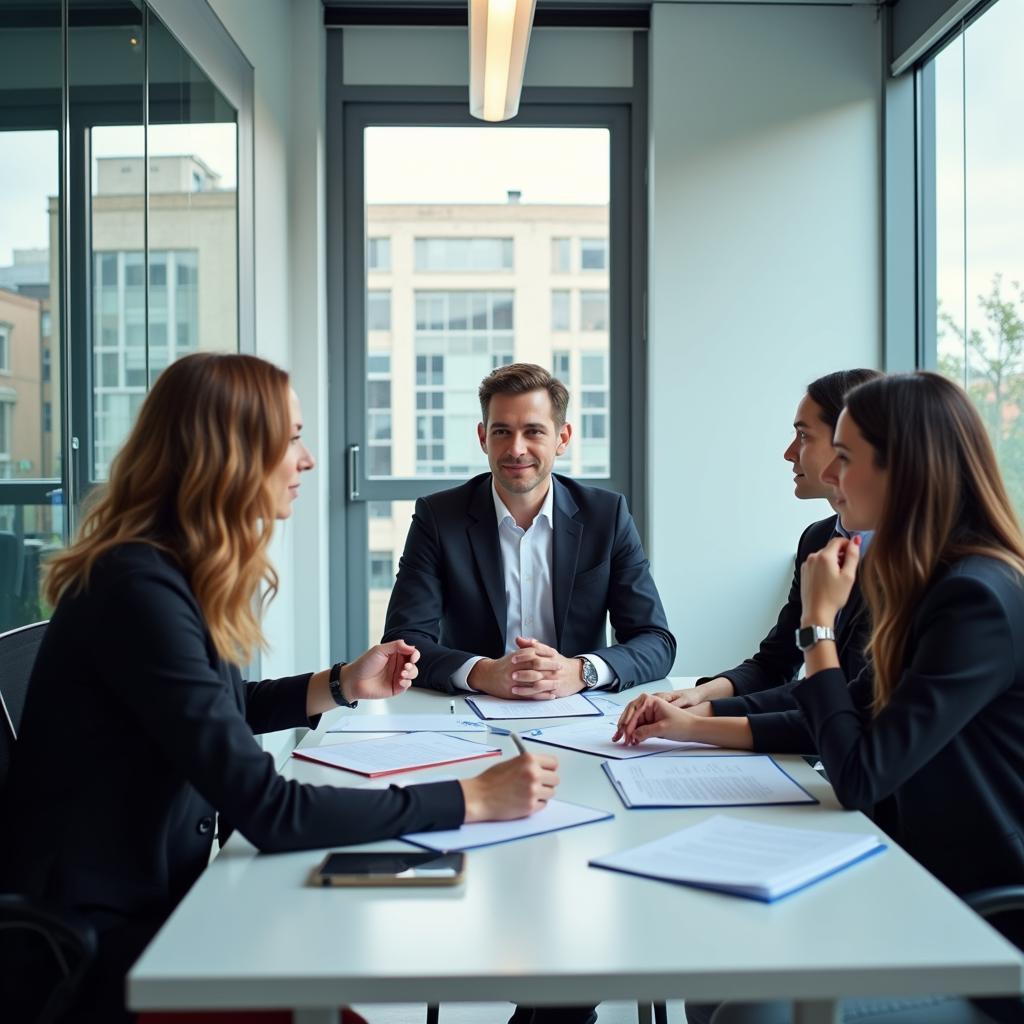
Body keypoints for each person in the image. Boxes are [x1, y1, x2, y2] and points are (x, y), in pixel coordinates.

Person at [0, 353, 559, 1024]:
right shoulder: (137, 590)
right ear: (228, 454)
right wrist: (472, 797)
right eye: (291, 438)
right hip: (113, 953)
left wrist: (339, 685)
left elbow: (218, 709)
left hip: (171, 904)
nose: (308, 460)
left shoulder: (164, 571)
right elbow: (269, 811)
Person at [615, 372, 1024, 1024]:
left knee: (747, 1011)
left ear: (904, 469)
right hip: (901, 873)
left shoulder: (975, 597)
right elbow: (840, 716)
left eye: (846, 455)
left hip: (975, 923)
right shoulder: (926, 578)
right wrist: (687, 727)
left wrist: (818, 628)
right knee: (710, 960)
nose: (831, 473)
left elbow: (861, 771)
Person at [382, 362, 676, 701]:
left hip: (581, 709)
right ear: (483, 437)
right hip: (470, 713)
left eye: (533, 431)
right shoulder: (438, 517)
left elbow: (656, 641)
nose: (516, 449)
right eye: (502, 432)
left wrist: (580, 671)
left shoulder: (606, 516)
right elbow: (404, 641)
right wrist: (482, 672)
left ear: (561, 438)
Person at [661, 369, 880, 718]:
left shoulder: (910, 560)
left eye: (804, 436)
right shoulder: (818, 539)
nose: (789, 453)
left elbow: (846, 698)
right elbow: (777, 662)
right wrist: (698, 696)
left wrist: (707, 714)